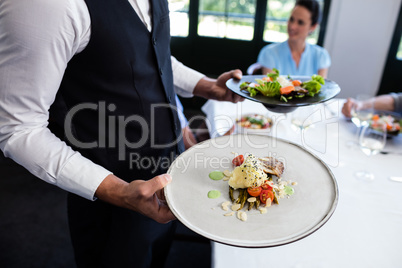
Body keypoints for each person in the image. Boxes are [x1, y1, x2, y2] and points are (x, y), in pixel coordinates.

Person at [0, 0, 243, 267]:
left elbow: (153, 54)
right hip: (111, 200)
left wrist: (206, 87)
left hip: (169, 172)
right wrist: (119, 191)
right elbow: (18, 128)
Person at [257, 0, 331, 78]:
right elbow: (271, 88)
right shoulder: (269, 53)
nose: (292, 26)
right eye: (291, 19)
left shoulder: (321, 56)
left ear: (313, 27)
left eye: (300, 22)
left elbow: (322, 88)